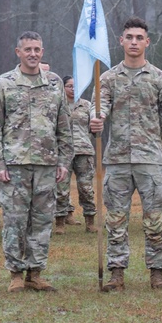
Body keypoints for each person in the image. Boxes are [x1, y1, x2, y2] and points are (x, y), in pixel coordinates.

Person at [90, 18, 162, 291]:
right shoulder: (107, 79)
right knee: (116, 219)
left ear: (147, 42)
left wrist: (150, 140)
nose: (134, 42)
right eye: (129, 37)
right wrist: (97, 118)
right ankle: (117, 273)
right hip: (116, 160)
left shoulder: (160, 79)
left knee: (155, 219)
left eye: (139, 37)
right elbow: (100, 107)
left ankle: (157, 273)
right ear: (121, 41)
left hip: (150, 159)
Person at [0, 31, 72, 292]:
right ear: (18, 52)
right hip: (14, 165)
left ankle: (35, 273)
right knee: (15, 220)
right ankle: (15, 274)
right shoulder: (4, 83)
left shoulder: (54, 84)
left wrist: (64, 161)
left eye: (37, 49)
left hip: (46, 165)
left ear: (42, 52)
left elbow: (63, 126)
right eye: (28, 50)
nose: (33, 54)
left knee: (43, 221)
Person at [56, 76, 97, 233]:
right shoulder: (58, 105)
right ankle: (60, 221)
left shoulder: (87, 105)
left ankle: (90, 221)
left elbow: (92, 129)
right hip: (63, 152)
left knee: (86, 187)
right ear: (63, 88)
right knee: (61, 188)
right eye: (69, 86)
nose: (72, 89)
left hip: (83, 151)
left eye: (75, 86)